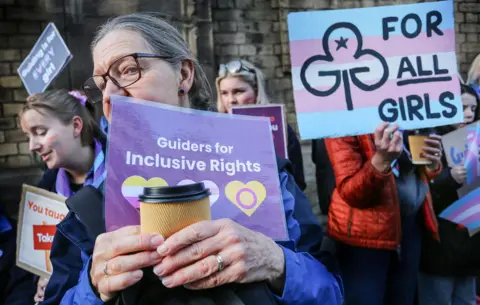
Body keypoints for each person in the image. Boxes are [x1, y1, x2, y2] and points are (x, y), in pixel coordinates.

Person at [39, 13, 343, 305]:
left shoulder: (268, 175)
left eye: (129, 70)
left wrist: (276, 263)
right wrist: (93, 287)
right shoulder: (87, 209)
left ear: (183, 74)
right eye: (102, 84)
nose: (111, 95)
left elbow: (331, 291)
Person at [325, 122, 443, 305]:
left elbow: (419, 172)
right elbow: (352, 193)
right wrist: (382, 160)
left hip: (410, 227)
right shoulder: (343, 119)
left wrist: (432, 165)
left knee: (403, 298)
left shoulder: (411, 113)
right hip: (365, 236)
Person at [19, 89, 106, 304]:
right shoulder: (43, 191)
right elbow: (38, 261)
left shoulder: (121, 176)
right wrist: (44, 282)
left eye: (40, 132)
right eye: (29, 136)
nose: (33, 146)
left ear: (76, 126)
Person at [418, 84, 480, 305]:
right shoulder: (427, 140)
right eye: (462, 107)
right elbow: (421, 194)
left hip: (470, 245)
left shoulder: (475, 140)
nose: (469, 114)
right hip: (439, 244)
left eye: (473, 108)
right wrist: (448, 179)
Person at [215, 59, 306, 190]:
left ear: (256, 91)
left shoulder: (280, 129)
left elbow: (297, 182)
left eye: (238, 91)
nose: (230, 100)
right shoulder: (213, 131)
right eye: (224, 93)